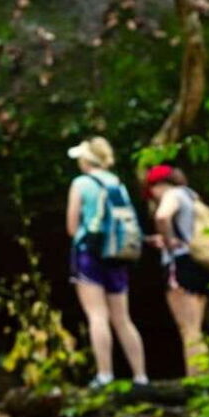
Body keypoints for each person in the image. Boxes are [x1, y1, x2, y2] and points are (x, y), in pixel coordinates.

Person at [66, 136, 148, 388]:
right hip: (117, 254)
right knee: (122, 318)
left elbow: (71, 226)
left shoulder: (81, 183)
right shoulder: (117, 183)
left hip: (89, 253)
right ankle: (140, 376)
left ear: (86, 159)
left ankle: (105, 374)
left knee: (97, 315)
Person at [144, 164, 209, 376]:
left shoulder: (172, 194)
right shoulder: (191, 196)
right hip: (197, 264)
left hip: (179, 266)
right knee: (196, 328)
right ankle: (204, 376)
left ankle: (197, 379)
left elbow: (162, 217)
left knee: (189, 329)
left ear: (159, 185)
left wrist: (168, 241)